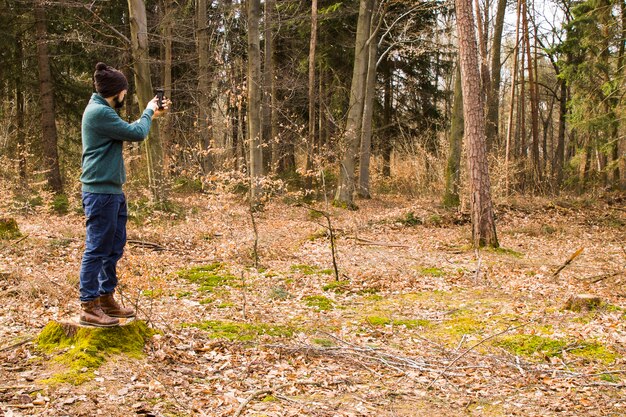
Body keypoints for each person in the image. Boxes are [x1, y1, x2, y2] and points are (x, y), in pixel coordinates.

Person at [78, 62, 170, 327]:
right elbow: (136, 133)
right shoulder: (99, 112)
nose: (125, 96)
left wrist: (150, 115)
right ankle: (88, 304)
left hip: (111, 191)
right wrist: (149, 110)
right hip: (100, 193)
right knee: (97, 249)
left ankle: (105, 298)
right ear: (116, 91)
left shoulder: (103, 111)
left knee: (114, 247)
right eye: (124, 92)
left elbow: (129, 129)